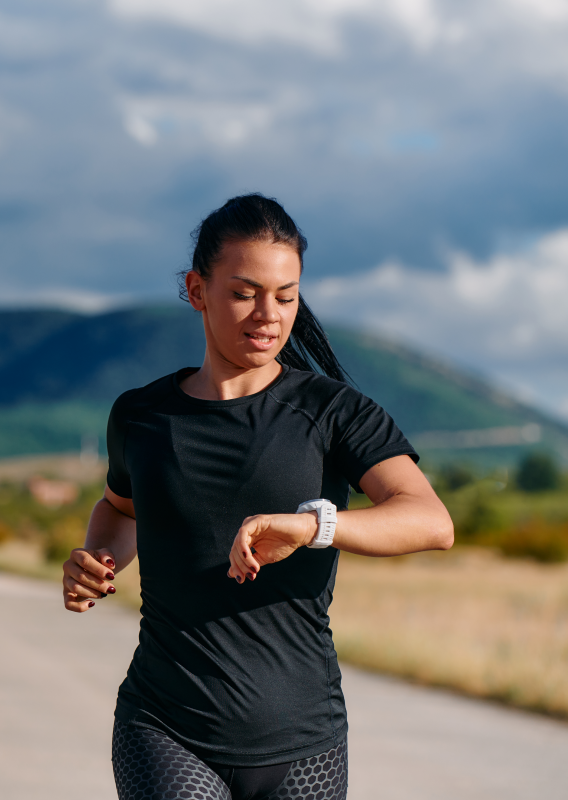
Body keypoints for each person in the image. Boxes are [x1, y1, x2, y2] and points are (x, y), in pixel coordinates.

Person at [62, 194, 454, 800]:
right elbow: (120, 509)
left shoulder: (333, 412)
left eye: (286, 296)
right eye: (245, 293)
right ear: (198, 290)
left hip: (303, 742)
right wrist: (98, 560)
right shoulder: (141, 416)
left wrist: (311, 527)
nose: (268, 315)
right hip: (165, 725)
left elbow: (430, 520)